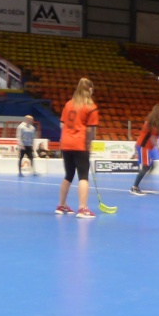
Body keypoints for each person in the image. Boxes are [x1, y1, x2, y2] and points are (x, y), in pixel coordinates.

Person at [56, 78, 98, 219]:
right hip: (80, 144)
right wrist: (89, 143)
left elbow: (62, 125)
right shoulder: (91, 106)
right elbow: (90, 130)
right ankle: (82, 208)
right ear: (90, 89)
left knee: (68, 175)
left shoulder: (69, 104)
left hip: (66, 143)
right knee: (83, 176)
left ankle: (61, 205)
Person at [131, 104, 159, 196]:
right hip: (144, 147)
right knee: (146, 166)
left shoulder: (157, 124)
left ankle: (140, 184)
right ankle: (134, 187)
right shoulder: (153, 125)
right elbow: (153, 139)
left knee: (151, 165)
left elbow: (155, 139)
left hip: (148, 147)